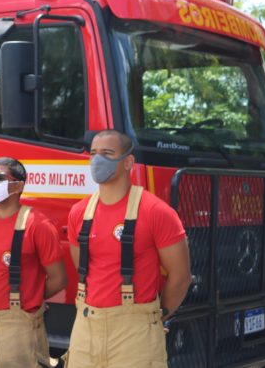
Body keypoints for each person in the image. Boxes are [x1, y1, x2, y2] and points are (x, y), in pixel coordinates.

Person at [65, 130, 192, 367]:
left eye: (107, 153)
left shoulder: (156, 212)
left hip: (135, 335)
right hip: (85, 327)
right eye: (93, 153)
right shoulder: (78, 213)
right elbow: (83, 266)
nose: (98, 160)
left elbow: (181, 277)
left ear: (128, 162)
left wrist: (154, 317)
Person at [0, 157, 67, 368]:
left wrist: (29, 300)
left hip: (20, 328)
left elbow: (59, 279)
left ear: (19, 185)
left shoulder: (37, 225)